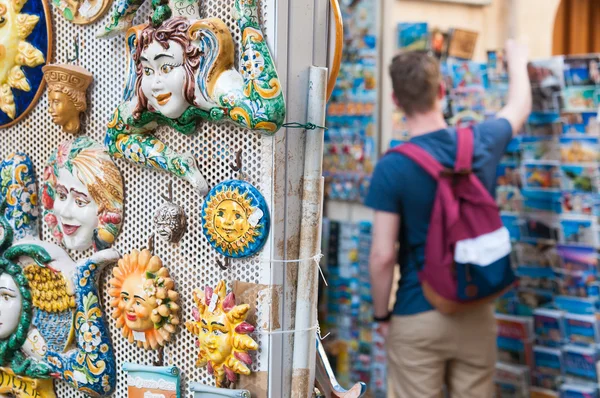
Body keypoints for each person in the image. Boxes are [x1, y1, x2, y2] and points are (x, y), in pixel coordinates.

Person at [366, 40, 531, 398]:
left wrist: (382, 318)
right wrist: (518, 59)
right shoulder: (480, 141)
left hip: (417, 311)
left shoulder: (392, 166)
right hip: (476, 309)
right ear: (441, 91)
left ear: (396, 102)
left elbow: (382, 257)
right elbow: (518, 108)